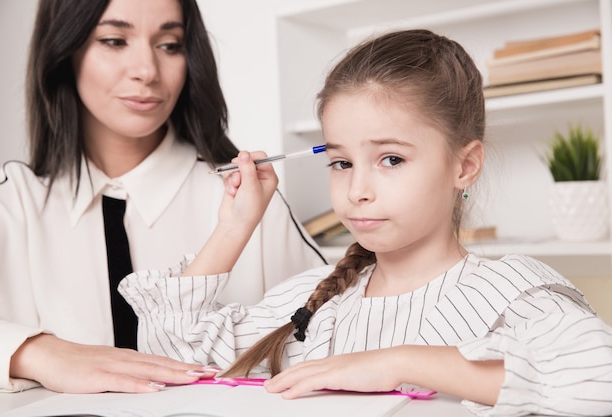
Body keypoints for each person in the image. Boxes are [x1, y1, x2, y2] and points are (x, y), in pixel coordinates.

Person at [120, 28, 612, 416]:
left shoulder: (512, 293)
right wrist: (234, 228)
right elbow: (170, 351)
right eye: (341, 162)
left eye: (391, 159)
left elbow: (599, 383)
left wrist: (399, 362)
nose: (357, 190)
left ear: (464, 166)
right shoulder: (313, 303)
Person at [0, 0, 326, 394]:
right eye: (114, 41)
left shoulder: (246, 199)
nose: (147, 72)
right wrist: (38, 353)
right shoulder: (14, 204)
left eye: (169, 45)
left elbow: (346, 326)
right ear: (65, 51)